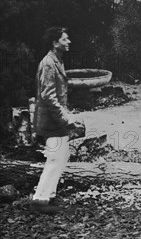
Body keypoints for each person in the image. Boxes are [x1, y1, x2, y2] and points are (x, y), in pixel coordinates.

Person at [30, 27, 80, 214]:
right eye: (65, 39)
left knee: (61, 156)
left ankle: (49, 196)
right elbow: (48, 96)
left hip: (56, 120)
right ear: (55, 42)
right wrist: (67, 119)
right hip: (50, 121)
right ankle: (39, 200)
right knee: (54, 158)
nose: (69, 42)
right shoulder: (49, 63)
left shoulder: (56, 60)